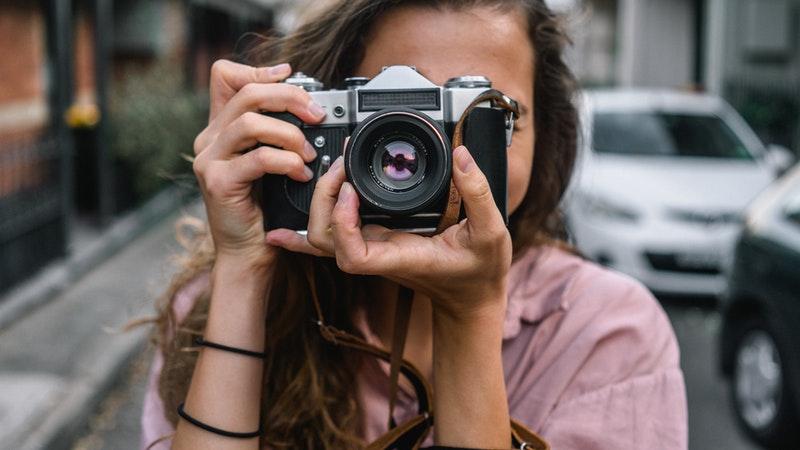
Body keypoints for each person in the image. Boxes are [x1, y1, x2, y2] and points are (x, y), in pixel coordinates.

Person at [141, 0, 688, 449]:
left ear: (547, 135)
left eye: (489, 115)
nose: (431, 153)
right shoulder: (211, 309)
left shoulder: (608, 336)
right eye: (394, 115)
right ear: (319, 119)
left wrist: (468, 313)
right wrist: (244, 270)